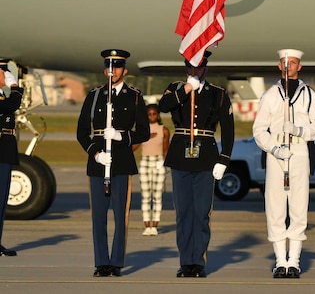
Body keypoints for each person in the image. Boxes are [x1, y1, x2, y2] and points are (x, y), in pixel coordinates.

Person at [159, 50, 235, 278]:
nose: (196, 71)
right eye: (191, 67)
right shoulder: (176, 89)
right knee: (183, 213)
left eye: (200, 67)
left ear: (206, 68)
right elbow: (163, 106)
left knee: (201, 213)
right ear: (185, 68)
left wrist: (224, 158)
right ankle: (186, 262)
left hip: (206, 158)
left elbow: (228, 130)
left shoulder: (218, 94)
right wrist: (187, 89)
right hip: (181, 156)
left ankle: (198, 262)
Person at [252, 48, 315, 279]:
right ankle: (280, 261)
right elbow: (259, 129)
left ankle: (294, 260)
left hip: (300, 150)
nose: (288, 66)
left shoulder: (309, 94)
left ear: (299, 66)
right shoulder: (270, 95)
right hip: (276, 152)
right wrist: (272, 148)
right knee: (275, 206)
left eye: (292, 62)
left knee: (298, 205)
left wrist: (299, 130)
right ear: (278, 65)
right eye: (284, 62)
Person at [76, 49, 149, 277]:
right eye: (108, 66)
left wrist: (121, 136)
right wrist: (95, 153)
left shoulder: (134, 96)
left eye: (116, 67)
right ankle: (101, 263)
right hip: (98, 162)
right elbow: (81, 132)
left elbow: (144, 132)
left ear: (124, 70)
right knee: (98, 216)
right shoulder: (95, 95)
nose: (112, 71)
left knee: (120, 216)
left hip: (122, 162)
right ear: (104, 69)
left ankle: (116, 262)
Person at [134, 104, 170, 236]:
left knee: (157, 196)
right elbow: (133, 147)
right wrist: (146, 136)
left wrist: (164, 164)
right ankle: (146, 224)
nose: (152, 116)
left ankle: (155, 225)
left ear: (158, 115)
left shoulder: (164, 130)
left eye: (154, 114)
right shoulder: (142, 130)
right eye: (149, 114)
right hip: (145, 162)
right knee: (145, 196)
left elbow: (166, 149)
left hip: (158, 162)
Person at [0, 60, 23, 257]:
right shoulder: (8, 95)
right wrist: (14, 87)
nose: (4, 76)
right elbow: (12, 105)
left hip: (5, 147)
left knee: (1, 199)